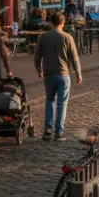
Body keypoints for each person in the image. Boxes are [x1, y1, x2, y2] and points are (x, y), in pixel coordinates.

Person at [34, 11, 83, 141]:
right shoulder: (67, 37)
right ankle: (59, 132)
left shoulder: (43, 37)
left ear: (51, 23)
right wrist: (78, 73)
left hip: (49, 74)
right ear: (63, 23)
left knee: (49, 100)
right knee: (62, 104)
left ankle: (47, 129)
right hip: (63, 74)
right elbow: (74, 58)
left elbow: (37, 57)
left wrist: (39, 70)